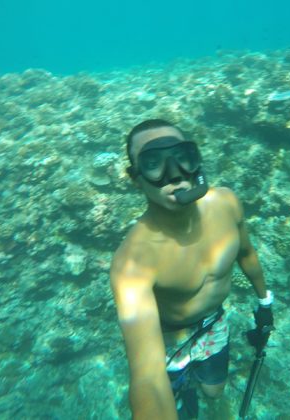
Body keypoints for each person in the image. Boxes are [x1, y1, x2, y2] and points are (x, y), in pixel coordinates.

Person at [110, 119, 274, 419]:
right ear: (136, 179)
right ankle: (183, 390)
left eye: (181, 157)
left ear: (195, 159)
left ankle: (194, 386)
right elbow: (146, 379)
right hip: (168, 339)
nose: (174, 175)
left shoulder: (226, 203)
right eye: (153, 163)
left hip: (214, 322)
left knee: (214, 390)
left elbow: (247, 254)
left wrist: (265, 302)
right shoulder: (133, 262)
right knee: (175, 400)